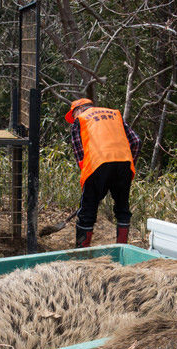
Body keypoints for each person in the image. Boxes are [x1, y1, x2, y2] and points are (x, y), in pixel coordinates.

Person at [65, 98, 141, 248]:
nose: (73, 118)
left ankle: (82, 253)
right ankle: (122, 249)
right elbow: (136, 141)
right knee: (122, 208)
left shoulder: (80, 119)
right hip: (124, 162)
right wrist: (128, 164)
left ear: (78, 110)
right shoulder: (115, 114)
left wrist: (93, 184)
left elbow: (80, 155)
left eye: (73, 115)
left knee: (87, 212)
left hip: (97, 164)